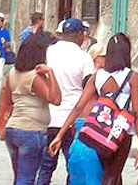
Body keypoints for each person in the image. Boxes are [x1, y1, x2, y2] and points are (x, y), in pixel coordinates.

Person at [49, 32, 138, 185]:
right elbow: (137, 113)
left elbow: (78, 107)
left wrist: (60, 135)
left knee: (105, 173)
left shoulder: (97, 76)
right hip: (122, 132)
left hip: (100, 131)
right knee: (113, 175)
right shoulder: (133, 77)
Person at [36, 19, 95, 185]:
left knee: (46, 166)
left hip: (48, 116)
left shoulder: (48, 51)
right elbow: (88, 89)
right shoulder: (84, 58)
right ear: (78, 34)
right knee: (73, 168)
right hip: (71, 120)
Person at [0, 33, 61, 185]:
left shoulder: (13, 73)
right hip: (31, 131)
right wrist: (50, 74)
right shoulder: (35, 77)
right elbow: (56, 99)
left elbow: (7, 100)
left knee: (19, 177)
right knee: (26, 179)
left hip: (13, 128)